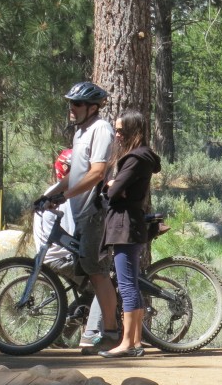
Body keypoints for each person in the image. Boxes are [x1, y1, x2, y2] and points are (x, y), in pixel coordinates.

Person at [35, 82, 120, 353]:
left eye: (78, 104)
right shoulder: (81, 132)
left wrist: (66, 195)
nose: (72, 108)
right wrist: (52, 193)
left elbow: (96, 172)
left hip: (93, 211)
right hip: (80, 212)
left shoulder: (101, 129)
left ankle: (110, 333)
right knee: (90, 271)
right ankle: (102, 329)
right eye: (70, 103)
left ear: (93, 108)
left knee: (96, 272)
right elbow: (75, 172)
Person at [97, 111, 162, 358]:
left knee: (126, 285)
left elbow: (113, 192)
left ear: (135, 131)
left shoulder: (135, 159)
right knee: (130, 283)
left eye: (122, 130)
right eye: (116, 130)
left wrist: (112, 186)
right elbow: (115, 188)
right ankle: (134, 342)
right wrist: (113, 185)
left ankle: (127, 343)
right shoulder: (140, 157)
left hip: (124, 226)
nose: (117, 134)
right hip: (129, 224)